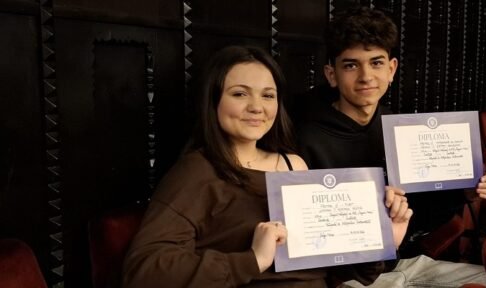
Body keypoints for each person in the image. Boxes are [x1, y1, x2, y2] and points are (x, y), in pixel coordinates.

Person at [121, 45, 413, 288]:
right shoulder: (198, 169)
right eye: (239, 94)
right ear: (213, 101)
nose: (257, 107)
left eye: (268, 95)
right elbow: (143, 271)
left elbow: (329, 273)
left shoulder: (293, 164)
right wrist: (253, 259)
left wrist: (384, 239)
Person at [295, 6, 486, 288]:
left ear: (392, 70)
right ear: (331, 74)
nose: (366, 76)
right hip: (349, 278)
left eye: (376, 63)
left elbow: (421, 217)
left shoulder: (399, 128)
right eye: (351, 65)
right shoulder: (304, 140)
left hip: (405, 262)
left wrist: (462, 191)